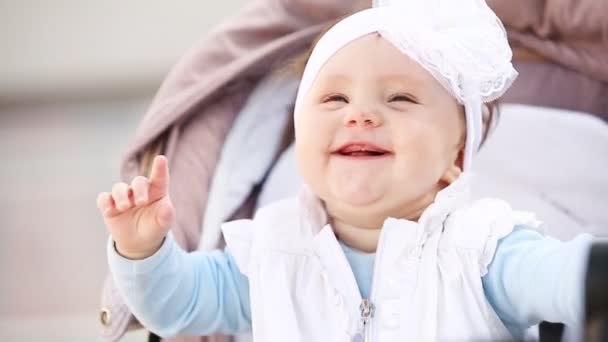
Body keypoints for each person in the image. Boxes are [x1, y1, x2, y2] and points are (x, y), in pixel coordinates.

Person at [98, 1, 598, 341]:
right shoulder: (266, 257)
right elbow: (175, 305)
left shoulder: (482, 251)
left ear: (456, 158)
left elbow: (565, 278)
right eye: (334, 98)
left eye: (400, 98)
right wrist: (143, 251)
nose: (359, 114)